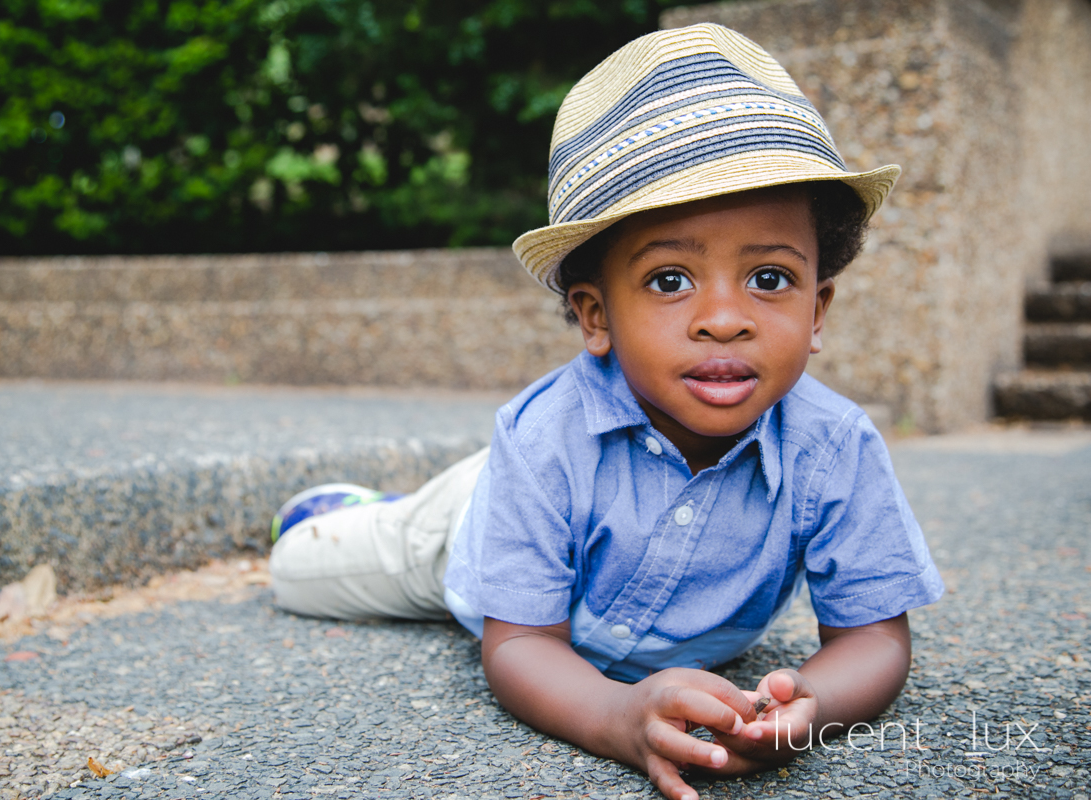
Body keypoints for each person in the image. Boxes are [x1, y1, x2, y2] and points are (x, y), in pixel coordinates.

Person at [268, 23, 944, 800]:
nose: (725, 318)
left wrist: (809, 709)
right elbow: (520, 643)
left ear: (818, 309)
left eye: (768, 279)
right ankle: (359, 512)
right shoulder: (544, 437)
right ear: (595, 316)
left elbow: (874, 638)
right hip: (461, 528)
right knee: (303, 571)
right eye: (669, 281)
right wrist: (616, 715)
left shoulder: (835, 448)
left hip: (560, 524)